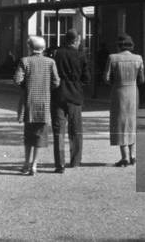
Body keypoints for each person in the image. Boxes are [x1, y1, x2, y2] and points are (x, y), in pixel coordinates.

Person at [14, 36, 60, 176]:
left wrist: (26, 87)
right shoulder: (50, 62)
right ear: (43, 48)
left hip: (29, 102)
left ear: (30, 47)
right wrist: (46, 88)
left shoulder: (25, 61)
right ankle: (34, 164)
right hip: (44, 102)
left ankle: (26, 164)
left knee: (28, 135)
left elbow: (17, 79)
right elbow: (56, 81)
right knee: (40, 135)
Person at [52, 29, 90, 172]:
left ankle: (59, 164)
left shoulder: (57, 54)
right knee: (76, 130)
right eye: (79, 41)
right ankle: (75, 160)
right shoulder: (81, 55)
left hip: (58, 94)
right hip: (75, 95)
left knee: (59, 131)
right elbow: (86, 78)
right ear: (75, 41)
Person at [105, 34, 145, 167]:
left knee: (120, 123)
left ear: (119, 45)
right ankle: (133, 155)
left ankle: (125, 157)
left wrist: (114, 82)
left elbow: (106, 78)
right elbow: (142, 79)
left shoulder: (112, 58)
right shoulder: (138, 59)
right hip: (133, 93)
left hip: (119, 92)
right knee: (132, 123)